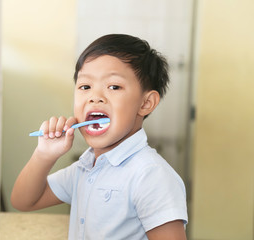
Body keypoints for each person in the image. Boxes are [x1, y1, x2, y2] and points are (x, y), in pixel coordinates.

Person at [11, 34, 188, 240]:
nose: (95, 97)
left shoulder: (151, 176)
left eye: (114, 87)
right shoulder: (85, 167)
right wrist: (44, 154)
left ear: (145, 103)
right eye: (85, 87)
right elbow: (23, 201)